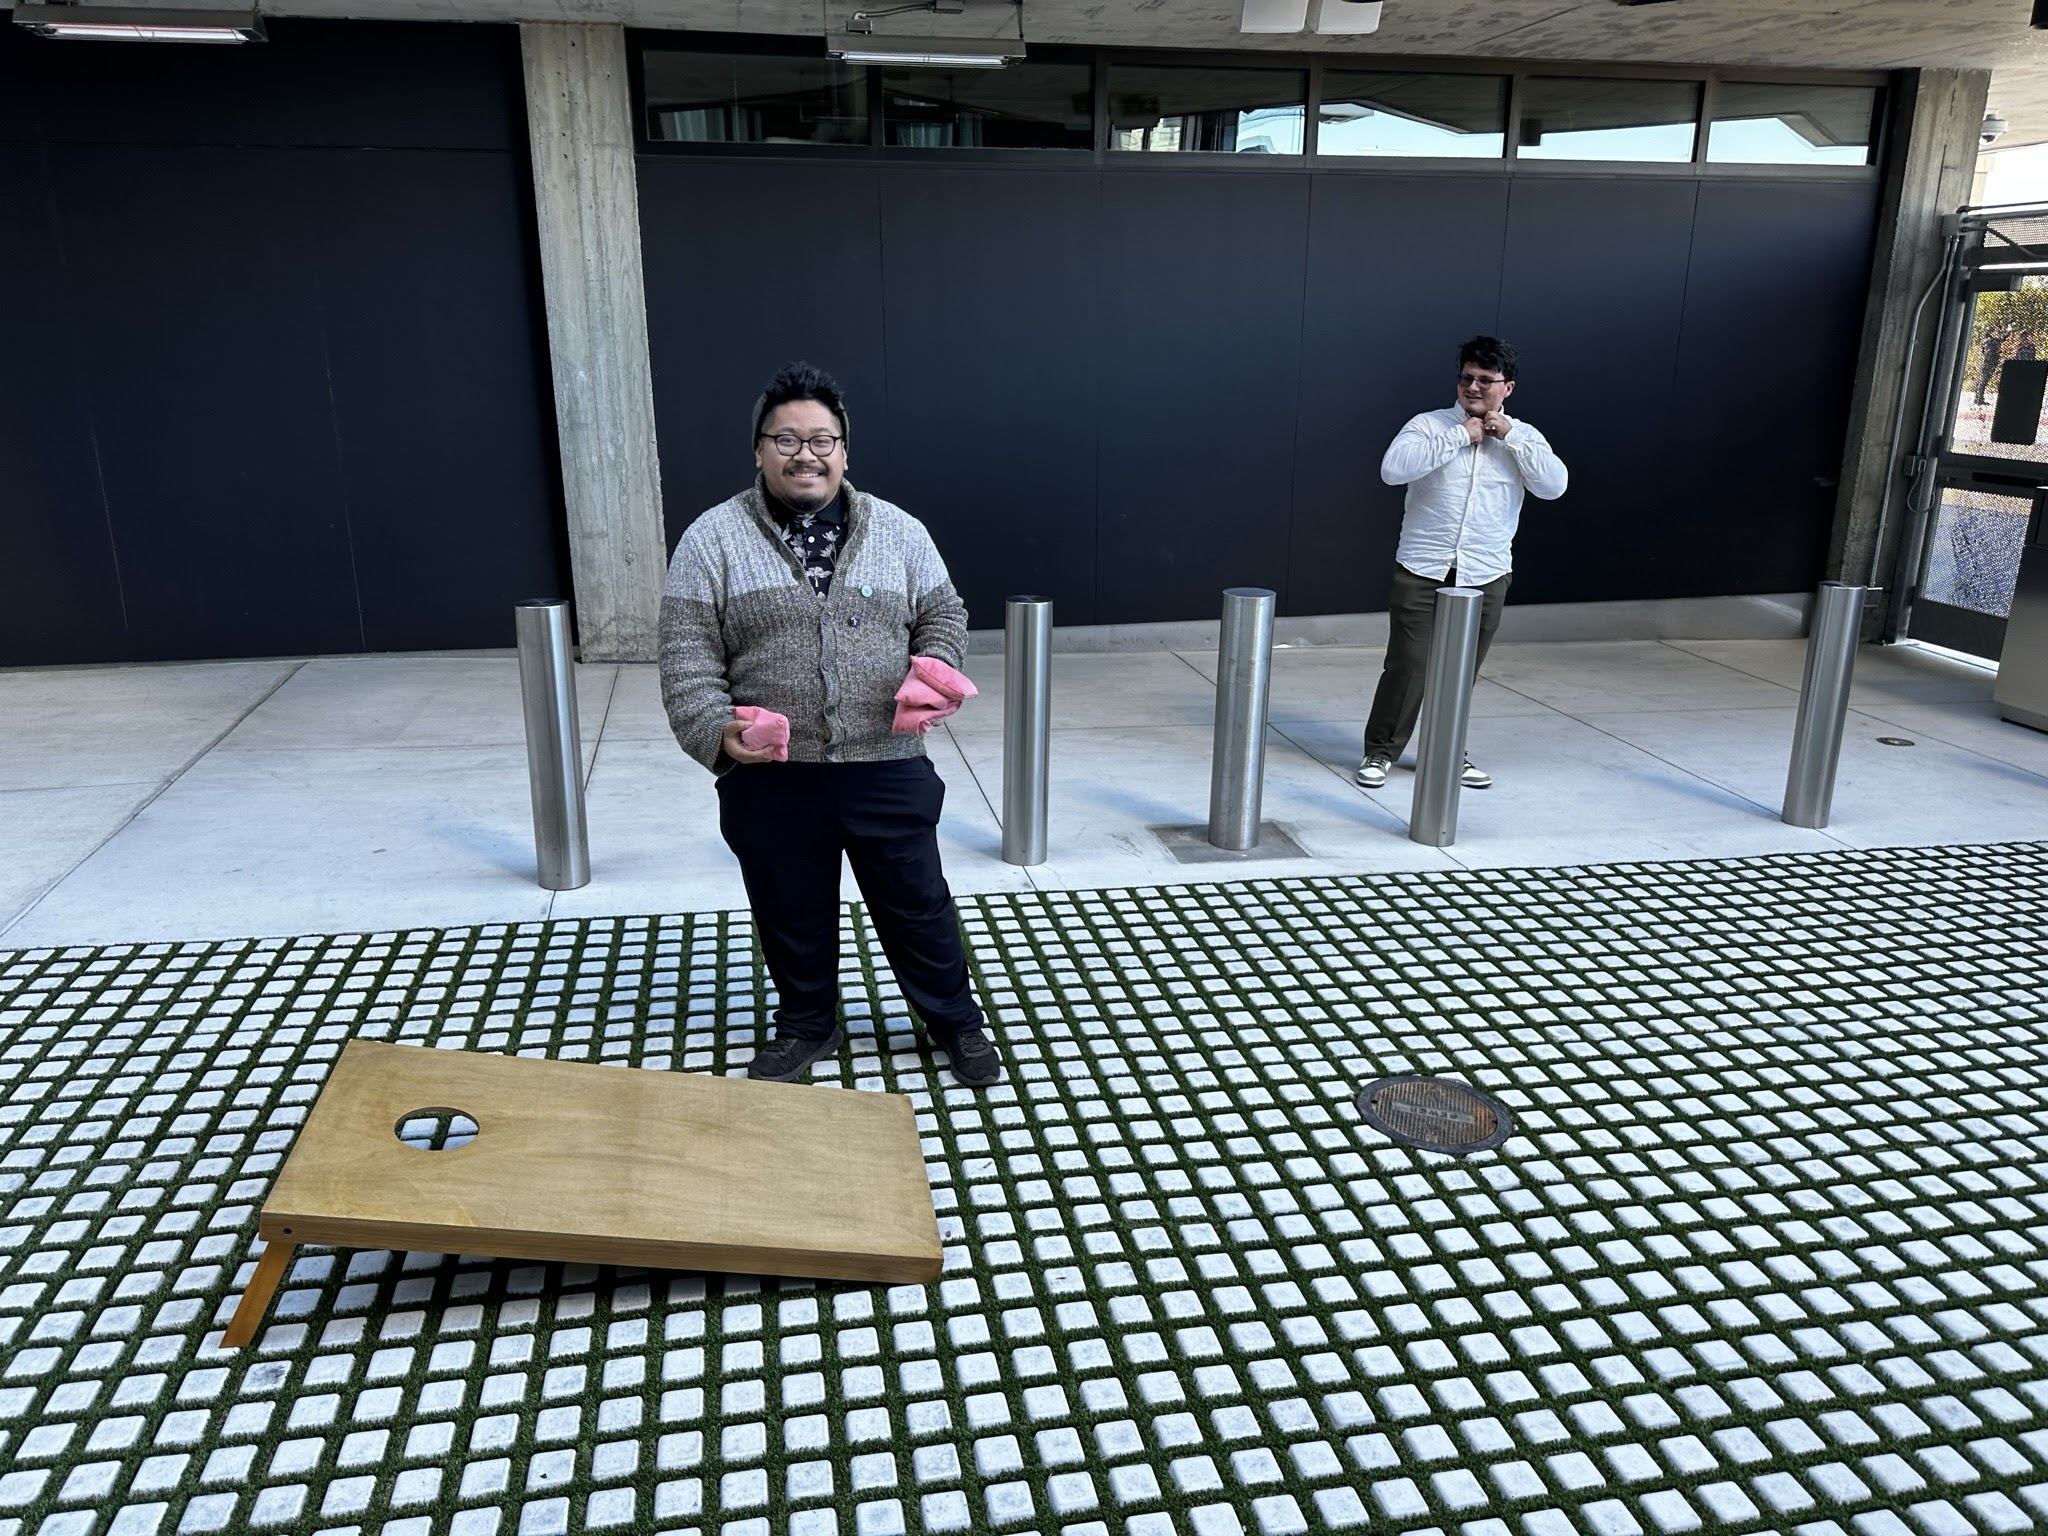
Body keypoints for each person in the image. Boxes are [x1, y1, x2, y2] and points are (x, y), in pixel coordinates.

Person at [657, 361, 1000, 1088]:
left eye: (822, 439)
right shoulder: (711, 540)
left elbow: (944, 612)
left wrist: (933, 669)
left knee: (919, 909)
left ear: (845, 450)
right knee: (791, 914)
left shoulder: (900, 532)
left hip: (887, 762)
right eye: (785, 439)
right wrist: (715, 731)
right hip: (774, 775)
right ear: (758, 449)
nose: (804, 453)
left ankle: (955, 1022)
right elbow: (686, 652)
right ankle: (806, 1025)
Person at [1356, 336, 1568, 791]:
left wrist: (1508, 438)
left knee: (1461, 670)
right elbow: (1393, 470)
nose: (1473, 387)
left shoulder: (1524, 436)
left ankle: (1447, 751)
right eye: (1466, 378)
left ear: (1507, 388)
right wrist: (1459, 436)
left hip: (1486, 570)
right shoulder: (1429, 425)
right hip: (1422, 567)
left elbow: (1554, 486)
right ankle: (1381, 751)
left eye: (1485, 381)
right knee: (1408, 664)